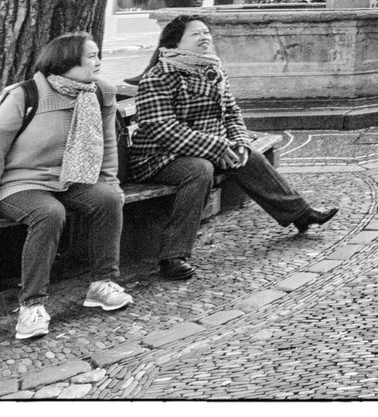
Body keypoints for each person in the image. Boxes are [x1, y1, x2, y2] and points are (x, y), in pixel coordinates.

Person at [132, 16, 337, 280]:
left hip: (204, 149)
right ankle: (173, 255)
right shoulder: (159, 76)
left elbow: (232, 114)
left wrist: (239, 143)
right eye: (196, 34)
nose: (205, 37)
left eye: (207, 32)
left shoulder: (212, 70)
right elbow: (160, 128)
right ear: (175, 42)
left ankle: (300, 214)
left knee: (248, 156)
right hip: (158, 156)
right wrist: (217, 146)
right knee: (199, 170)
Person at [0, 32, 133, 341]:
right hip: (19, 183)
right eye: (91, 56)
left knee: (108, 200)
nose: (98, 62)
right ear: (66, 61)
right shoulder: (25, 95)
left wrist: (110, 182)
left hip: (72, 179)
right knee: (49, 213)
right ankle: (32, 305)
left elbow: (107, 144)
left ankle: (102, 284)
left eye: (98, 55)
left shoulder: (100, 93)